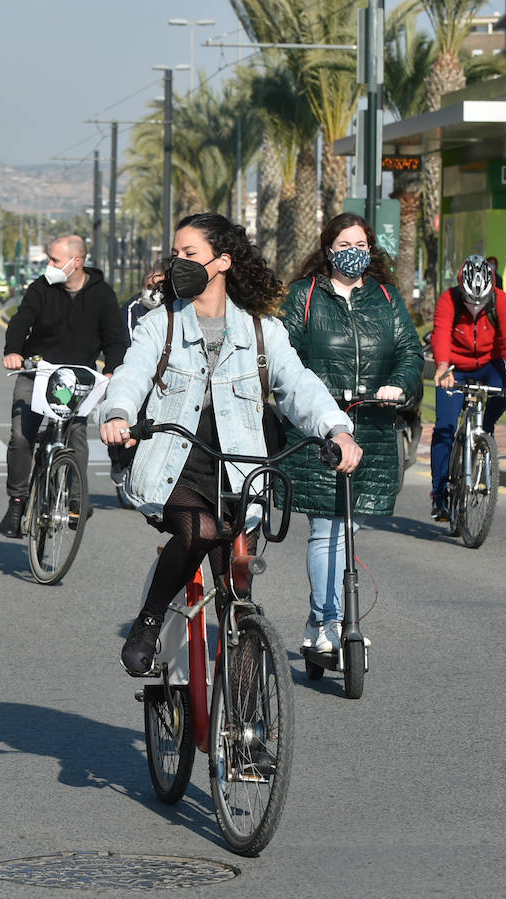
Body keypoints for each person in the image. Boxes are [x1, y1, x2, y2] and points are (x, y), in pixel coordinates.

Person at [101, 214, 361, 674]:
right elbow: (132, 374)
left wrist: (335, 429)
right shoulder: (159, 325)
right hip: (175, 464)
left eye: (190, 254)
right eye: (176, 253)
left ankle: (246, 733)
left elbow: (299, 384)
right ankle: (149, 618)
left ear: (222, 262)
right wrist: (118, 414)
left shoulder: (260, 330)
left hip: (240, 471)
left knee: (238, 599)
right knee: (199, 530)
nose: (177, 262)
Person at [279, 212, 423, 653]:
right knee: (326, 529)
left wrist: (401, 385)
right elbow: (283, 358)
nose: (354, 253)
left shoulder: (386, 297)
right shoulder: (304, 297)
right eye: (344, 245)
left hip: (372, 430)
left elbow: (409, 351)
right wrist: (316, 401)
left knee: (347, 529)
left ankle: (320, 618)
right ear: (327, 250)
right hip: (319, 432)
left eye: (361, 245)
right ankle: (330, 622)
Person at [0, 234, 126, 537]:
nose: (49, 265)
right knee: (21, 435)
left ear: (76, 262)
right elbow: (20, 321)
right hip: (37, 372)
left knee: (76, 437)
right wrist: (14, 352)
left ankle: (76, 500)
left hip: (78, 379)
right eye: (49, 259)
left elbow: (115, 339)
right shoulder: (41, 288)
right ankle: (17, 501)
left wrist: (110, 372)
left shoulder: (103, 295)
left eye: (55, 260)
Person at [429, 254, 506, 521]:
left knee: (504, 391)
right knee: (444, 428)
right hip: (455, 366)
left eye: (481, 302)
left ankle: (484, 432)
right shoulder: (448, 299)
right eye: (469, 301)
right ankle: (439, 493)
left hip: (489, 363)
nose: (474, 308)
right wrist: (441, 367)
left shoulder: (502, 301)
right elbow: (440, 332)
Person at [108, 269, 165, 501]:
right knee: (125, 422)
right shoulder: (131, 310)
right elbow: (130, 345)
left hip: (162, 381)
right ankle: (120, 466)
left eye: (160, 287)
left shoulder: (175, 310)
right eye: (151, 286)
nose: (154, 292)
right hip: (135, 374)